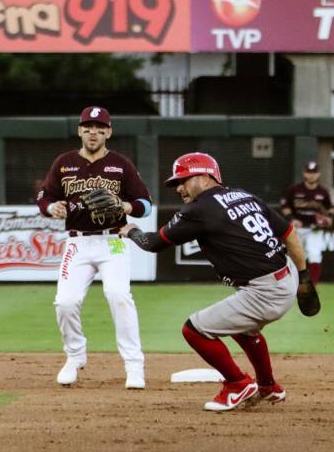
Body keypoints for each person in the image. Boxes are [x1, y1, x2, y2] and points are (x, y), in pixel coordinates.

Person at [119, 152, 309, 411]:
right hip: (286, 275)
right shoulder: (244, 195)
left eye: (184, 180)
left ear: (207, 177)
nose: (180, 188)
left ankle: (237, 384)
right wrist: (304, 277)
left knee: (194, 330)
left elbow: (153, 244)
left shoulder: (200, 208)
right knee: (244, 328)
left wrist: (132, 230)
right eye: (177, 183)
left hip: (265, 291)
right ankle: (268, 386)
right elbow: (290, 234)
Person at [36, 105, 152, 389]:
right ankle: (75, 355)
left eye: (100, 129)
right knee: (65, 302)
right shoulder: (64, 163)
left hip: (113, 241)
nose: (93, 133)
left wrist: (125, 206)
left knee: (118, 295)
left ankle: (134, 365)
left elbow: (146, 205)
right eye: (88, 127)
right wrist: (52, 208)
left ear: (108, 133)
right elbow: (43, 198)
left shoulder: (120, 164)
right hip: (77, 242)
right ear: (80, 130)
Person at [279, 161, 334, 285]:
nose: (311, 175)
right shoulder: (294, 189)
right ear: (304, 173)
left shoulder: (322, 192)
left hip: (314, 229)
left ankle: (311, 286)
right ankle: (290, 284)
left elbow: (331, 208)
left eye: (314, 173)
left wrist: (329, 218)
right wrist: (291, 219)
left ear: (318, 174)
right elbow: (284, 205)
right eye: (309, 172)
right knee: (292, 256)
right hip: (296, 229)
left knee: (315, 255)